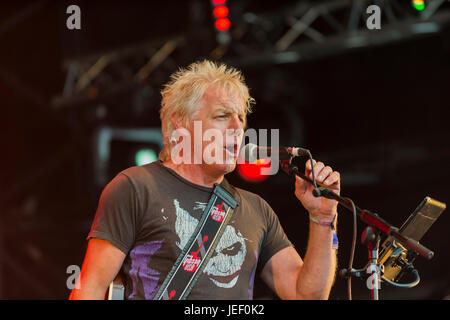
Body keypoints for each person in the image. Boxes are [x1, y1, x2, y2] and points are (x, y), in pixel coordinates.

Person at [69, 60, 341, 300]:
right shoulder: (136, 187)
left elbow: (306, 296)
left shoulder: (257, 209)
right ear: (180, 126)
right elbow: (90, 289)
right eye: (223, 116)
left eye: (241, 118)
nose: (237, 127)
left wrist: (323, 217)